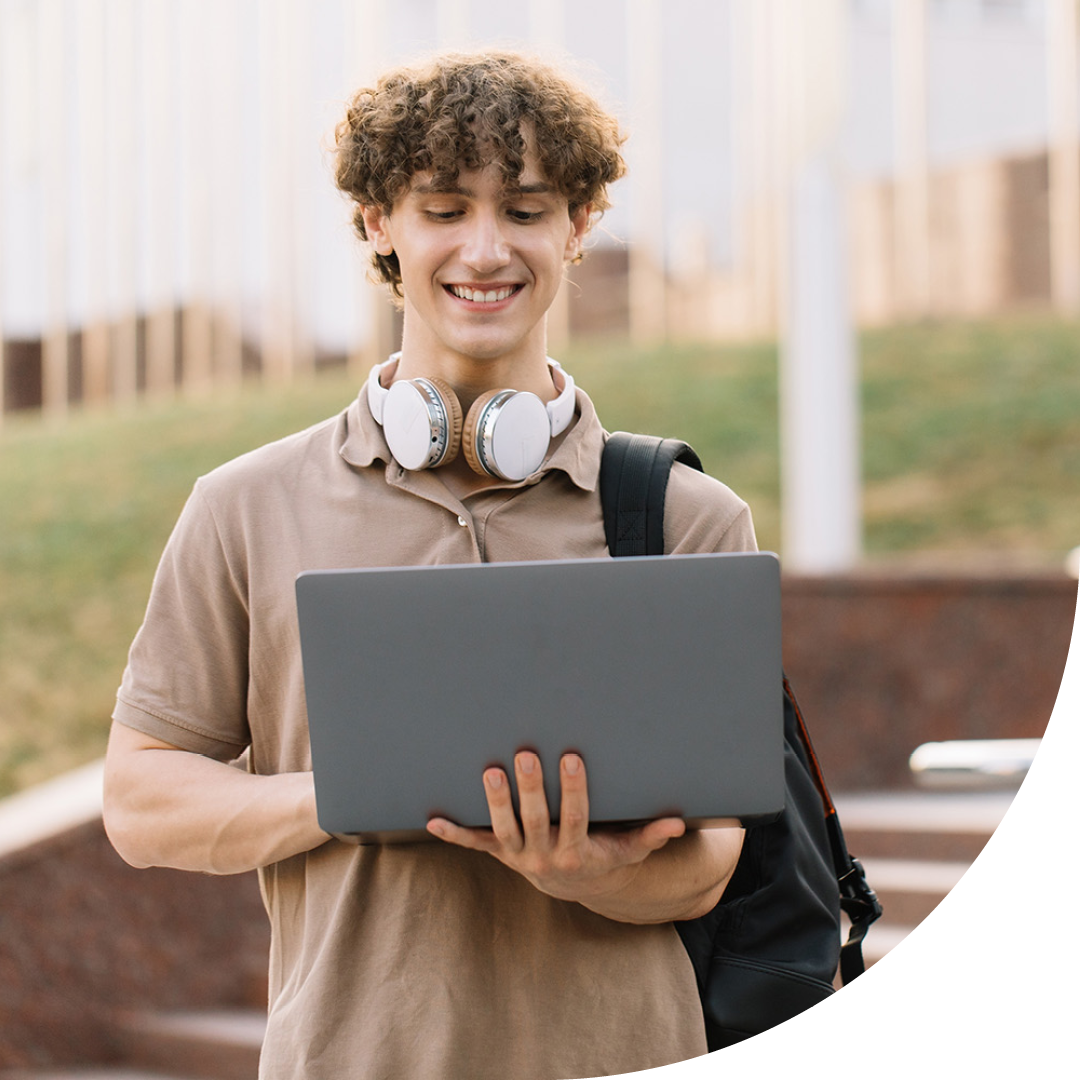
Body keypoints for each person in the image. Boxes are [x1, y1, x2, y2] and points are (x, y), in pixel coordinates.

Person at [103, 50, 758, 1078]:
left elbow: (709, 863)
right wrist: (353, 791)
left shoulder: (687, 518)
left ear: (579, 225)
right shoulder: (243, 506)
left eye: (528, 210)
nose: (485, 249)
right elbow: (141, 802)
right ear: (379, 224)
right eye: (445, 208)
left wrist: (585, 870)